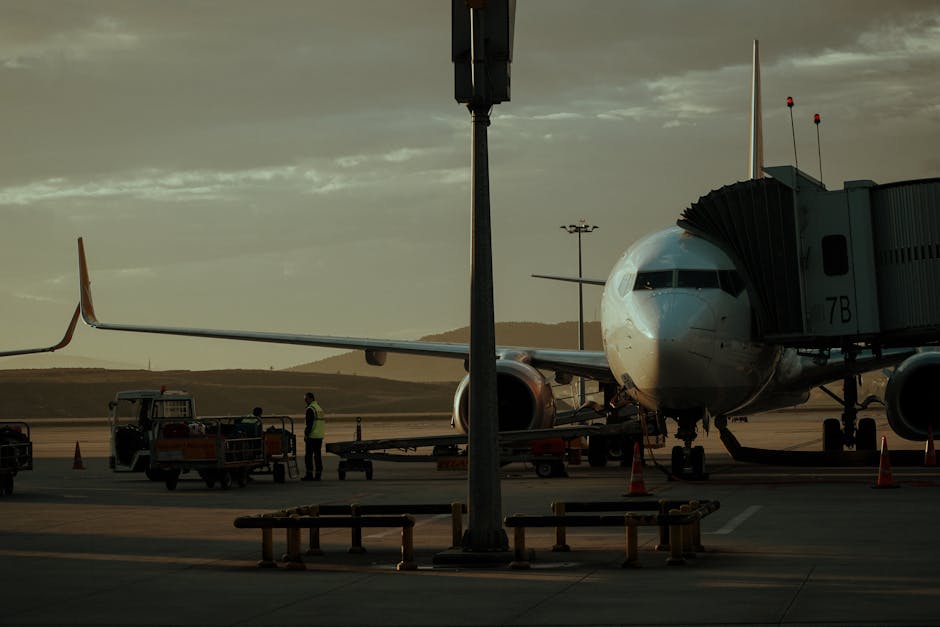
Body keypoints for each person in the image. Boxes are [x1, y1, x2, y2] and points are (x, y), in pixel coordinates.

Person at [302, 392, 325, 481]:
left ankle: (309, 474)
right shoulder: (319, 408)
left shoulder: (311, 409)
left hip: (312, 436)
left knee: (308, 456)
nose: (305, 400)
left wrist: (306, 435)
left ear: (311, 398)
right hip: (319, 436)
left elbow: (309, 424)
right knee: (317, 456)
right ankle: (318, 475)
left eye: (306, 398)